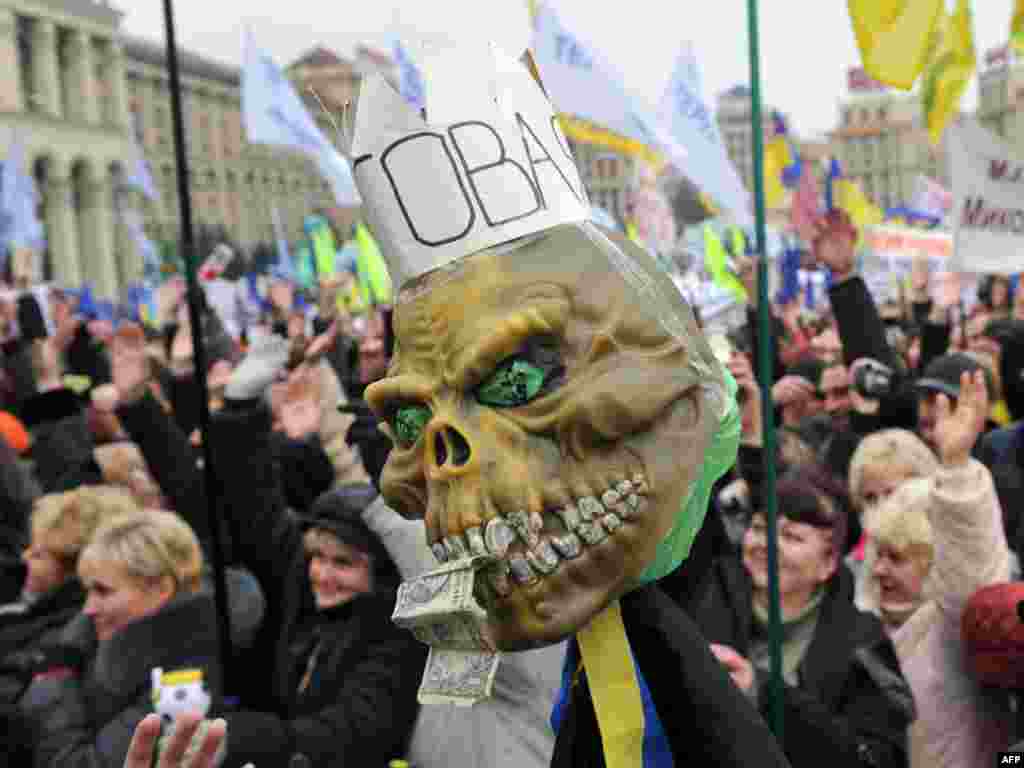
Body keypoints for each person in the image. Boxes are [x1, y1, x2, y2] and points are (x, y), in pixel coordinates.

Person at [694, 462, 914, 768]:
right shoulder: (704, 607)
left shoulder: (861, 643)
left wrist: (765, 695)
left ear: (828, 563)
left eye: (792, 536)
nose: (767, 545)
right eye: (759, 528)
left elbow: (876, 759)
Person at [861, 371, 1013, 768]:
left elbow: (969, 561)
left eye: (896, 557)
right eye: (878, 555)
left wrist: (956, 467)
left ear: (933, 561)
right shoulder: (861, 623)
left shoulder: (951, 629)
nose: (878, 570)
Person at [20, 510, 224, 768]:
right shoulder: (89, 640)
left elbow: (87, 764)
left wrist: (52, 682)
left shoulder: (184, 677)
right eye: (89, 591)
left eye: (103, 591)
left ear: (159, 589)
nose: (88, 609)